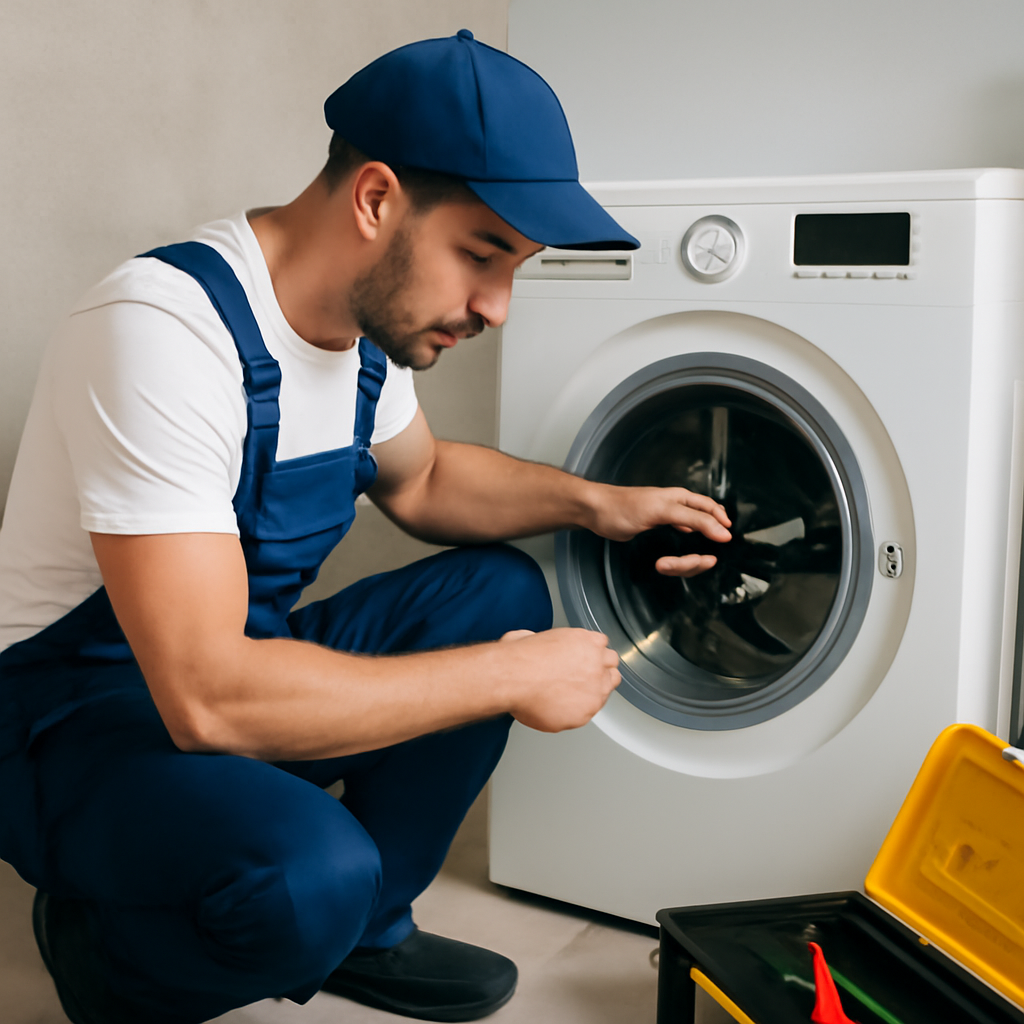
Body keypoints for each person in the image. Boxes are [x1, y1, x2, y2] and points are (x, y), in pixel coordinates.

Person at [0, 30, 731, 1024]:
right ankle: (107, 953)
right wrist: (510, 675)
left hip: (232, 671)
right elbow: (208, 702)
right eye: (481, 254)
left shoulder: (358, 340)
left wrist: (600, 503)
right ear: (376, 198)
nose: (497, 307)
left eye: (515, 267)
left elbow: (425, 480)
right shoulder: (165, 332)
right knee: (310, 872)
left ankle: (367, 930)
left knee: (498, 589)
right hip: (74, 725)